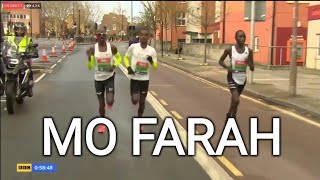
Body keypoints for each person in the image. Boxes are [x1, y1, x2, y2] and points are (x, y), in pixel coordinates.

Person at [86, 26, 122, 133]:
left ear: (106, 35)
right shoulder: (93, 49)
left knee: (109, 101)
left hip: (109, 77)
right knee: (101, 104)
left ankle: (110, 102)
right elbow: (90, 66)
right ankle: (102, 123)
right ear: (96, 36)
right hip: (98, 79)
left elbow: (119, 58)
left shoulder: (112, 48)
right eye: (99, 34)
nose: (101, 36)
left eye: (103, 34)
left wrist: (114, 65)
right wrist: (89, 59)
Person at [124, 27, 158, 131]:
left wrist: (151, 61)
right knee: (135, 100)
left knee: (142, 102)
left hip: (144, 79)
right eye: (142, 35)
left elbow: (155, 67)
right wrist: (129, 67)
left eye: (146, 35)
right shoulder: (133, 47)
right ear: (139, 36)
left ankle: (139, 121)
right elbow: (126, 57)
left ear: (148, 37)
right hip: (134, 78)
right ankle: (134, 98)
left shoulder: (152, 51)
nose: (143, 37)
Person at [219, 30, 254, 119]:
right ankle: (232, 118)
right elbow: (220, 61)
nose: (242, 38)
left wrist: (248, 63)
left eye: (244, 36)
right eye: (240, 36)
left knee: (235, 100)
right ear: (235, 38)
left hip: (242, 78)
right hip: (232, 77)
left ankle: (229, 114)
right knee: (236, 100)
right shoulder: (230, 49)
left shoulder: (249, 51)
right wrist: (228, 68)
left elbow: (252, 68)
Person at [7, 22, 34, 97]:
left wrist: (32, 52)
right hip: (12, 57)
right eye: (17, 29)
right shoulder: (9, 38)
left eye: (21, 30)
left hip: (24, 58)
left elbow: (32, 48)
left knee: (29, 68)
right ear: (14, 30)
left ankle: (29, 85)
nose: (19, 31)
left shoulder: (28, 40)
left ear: (24, 31)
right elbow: (4, 46)